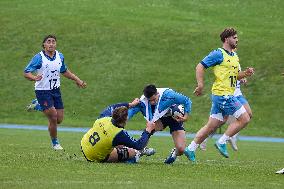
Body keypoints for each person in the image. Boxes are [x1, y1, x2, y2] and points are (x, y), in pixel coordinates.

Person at [184, 27, 254, 162]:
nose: (237, 40)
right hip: (223, 94)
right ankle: (222, 141)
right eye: (234, 37)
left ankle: (191, 148)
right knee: (245, 118)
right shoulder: (218, 53)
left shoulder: (234, 56)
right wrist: (200, 85)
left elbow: (235, 76)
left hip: (225, 94)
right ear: (227, 39)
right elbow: (200, 66)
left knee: (212, 125)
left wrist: (245, 73)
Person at [24, 35, 87, 150]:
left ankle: (38, 105)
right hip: (42, 91)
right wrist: (34, 78)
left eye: (53, 42)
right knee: (53, 116)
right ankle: (55, 143)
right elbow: (26, 72)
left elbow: (64, 71)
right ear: (44, 45)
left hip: (55, 90)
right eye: (48, 42)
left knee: (59, 119)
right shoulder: (39, 57)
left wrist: (77, 80)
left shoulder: (60, 56)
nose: (51, 44)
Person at [128, 84, 192, 164]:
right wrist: (124, 119)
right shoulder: (143, 101)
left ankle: (174, 153)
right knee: (150, 128)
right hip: (160, 119)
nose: (152, 102)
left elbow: (187, 100)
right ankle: (139, 152)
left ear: (157, 93)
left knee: (181, 149)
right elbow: (132, 110)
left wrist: (185, 116)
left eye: (154, 99)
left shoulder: (169, 95)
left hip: (174, 118)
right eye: (150, 100)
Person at [80, 106, 155, 163]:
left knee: (118, 143)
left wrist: (130, 104)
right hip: (93, 155)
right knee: (133, 152)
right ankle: (139, 153)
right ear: (125, 120)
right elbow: (139, 145)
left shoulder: (104, 117)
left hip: (84, 144)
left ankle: (139, 151)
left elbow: (113, 105)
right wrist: (148, 130)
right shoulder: (119, 134)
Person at [200, 77, 253, 151]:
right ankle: (204, 137)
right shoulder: (223, 66)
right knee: (220, 121)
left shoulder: (237, 65)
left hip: (237, 94)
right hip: (226, 94)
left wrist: (242, 78)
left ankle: (231, 136)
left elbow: (237, 74)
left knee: (248, 114)